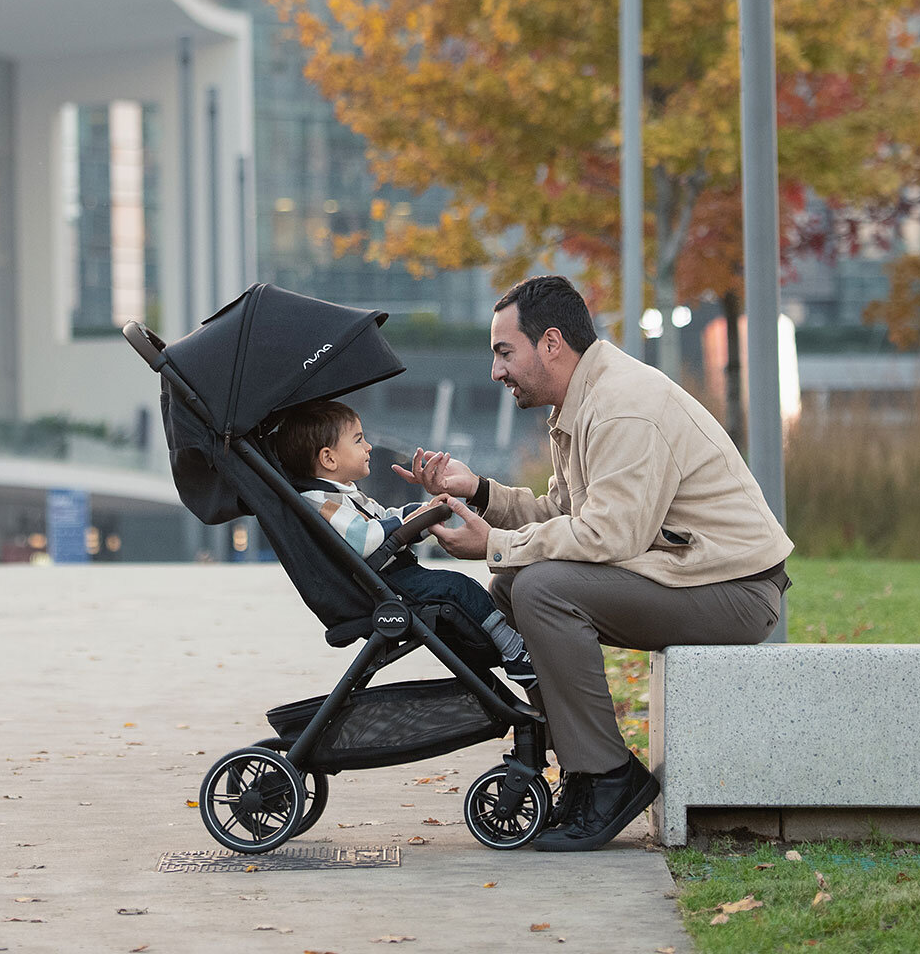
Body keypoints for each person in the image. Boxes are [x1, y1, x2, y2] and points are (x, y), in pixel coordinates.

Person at [395, 274, 791, 853]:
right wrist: (479, 492)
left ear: (551, 343)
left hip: (733, 589)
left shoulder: (622, 407)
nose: (496, 371)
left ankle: (609, 776)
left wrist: (495, 544)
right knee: (512, 587)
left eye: (504, 352)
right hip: (687, 575)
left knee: (540, 589)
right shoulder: (583, 401)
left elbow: (610, 535)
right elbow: (564, 515)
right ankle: (581, 769)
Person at [272, 398, 536, 686]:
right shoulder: (323, 502)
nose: (369, 447)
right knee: (457, 587)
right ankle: (514, 653)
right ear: (329, 459)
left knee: (462, 587)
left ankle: (500, 654)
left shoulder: (344, 494)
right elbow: (365, 539)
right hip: (382, 587)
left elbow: (386, 517)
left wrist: (424, 513)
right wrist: (412, 521)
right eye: (358, 440)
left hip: (389, 579)